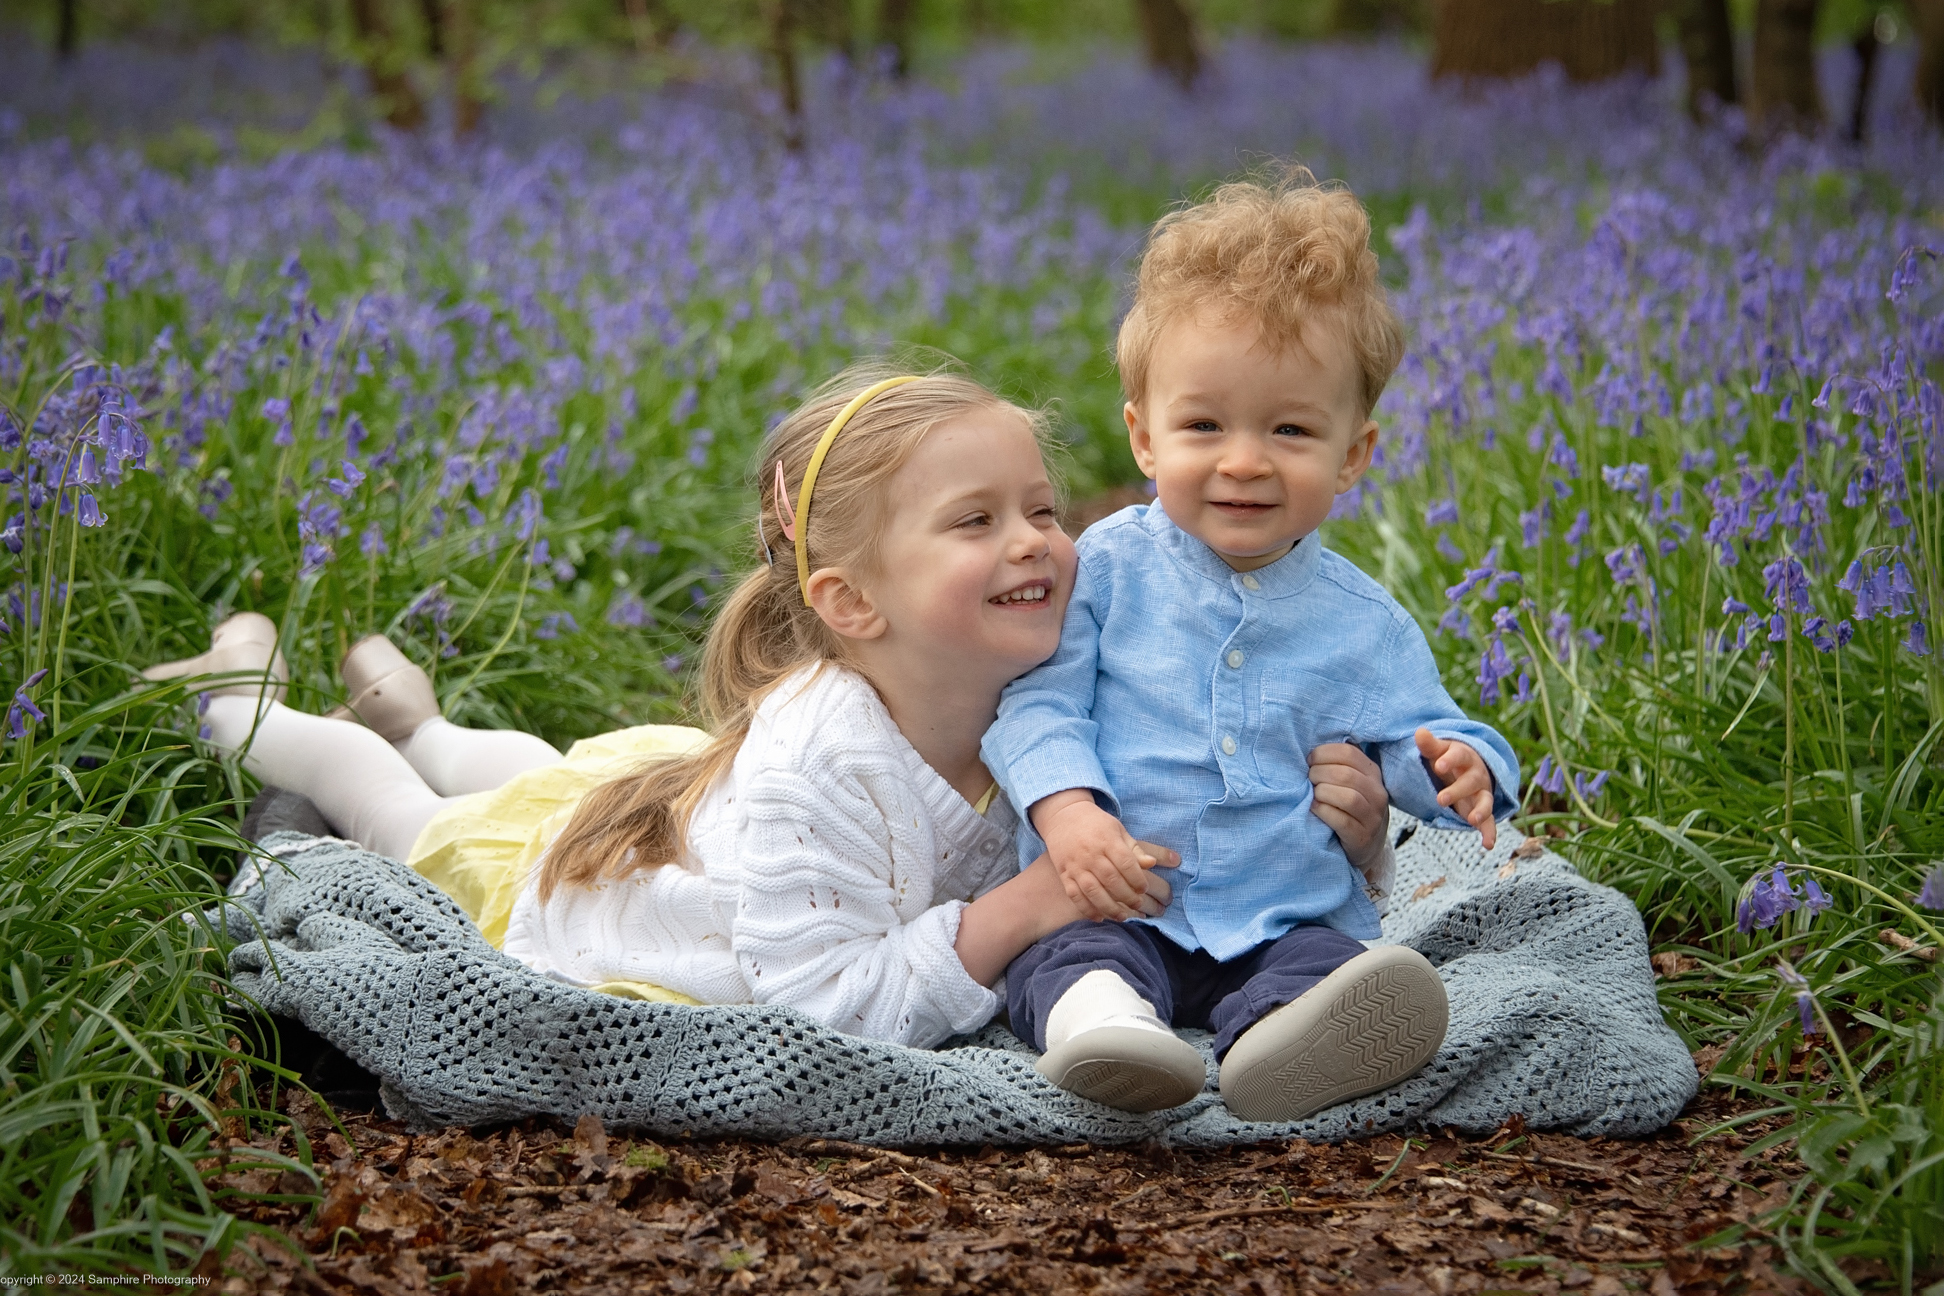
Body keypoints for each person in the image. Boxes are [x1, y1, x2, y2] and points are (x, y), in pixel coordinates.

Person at [144, 361, 1397, 1052]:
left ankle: (418, 712)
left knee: (553, 768)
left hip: (677, 805)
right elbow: (836, 1007)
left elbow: (1204, 785)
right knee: (407, 815)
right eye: (977, 522)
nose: (1040, 542)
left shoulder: (1049, 673)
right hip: (594, 894)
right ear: (854, 602)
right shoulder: (821, 761)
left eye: (1040, 508)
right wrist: (1020, 909)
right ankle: (248, 698)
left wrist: (1348, 818)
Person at [981, 173, 1520, 1121]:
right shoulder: (1102, 570)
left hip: (1282, 910)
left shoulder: (1365, 621)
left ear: (1353, 455)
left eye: (1290, 429)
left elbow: (1416, 737)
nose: (1243, 460)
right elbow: (1038, 705)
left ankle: (1285, 1040)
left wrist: (1459, 766)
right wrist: (1068, 817)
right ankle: (1107, 1031)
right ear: (1144, 439)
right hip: (1120, 895)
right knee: (1067, 959)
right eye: (1204, 425)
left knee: (1326, 962)